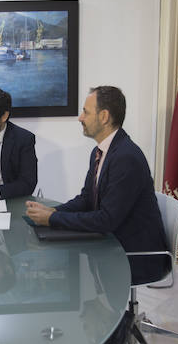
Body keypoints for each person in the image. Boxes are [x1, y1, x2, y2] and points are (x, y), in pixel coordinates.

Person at [25, 85, 169, 285]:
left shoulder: (126, 157)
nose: (80, 118)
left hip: (136, 255)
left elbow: (106, 220)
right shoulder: (100, 152)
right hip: (114, 240)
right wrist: (52, 210)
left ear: (104, 117)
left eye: (85, 112)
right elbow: (86, 199)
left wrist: (53, 219)